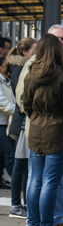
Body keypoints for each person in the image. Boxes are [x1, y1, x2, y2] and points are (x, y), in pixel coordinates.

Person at [16, 24, 63, 226]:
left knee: (35, 180)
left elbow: (25, 103)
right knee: (51, 182)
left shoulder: (30, 73)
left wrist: (35, 117)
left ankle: (34, 223)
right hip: (58, 133)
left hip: (36, 131)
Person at [3, 38, 37, 218]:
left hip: (23, 123)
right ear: (24, 52)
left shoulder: (22, 68)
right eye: (34, 49)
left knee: (22, 165)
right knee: (21, 164)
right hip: (22, 123)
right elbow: (21, 97)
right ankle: (16, 204)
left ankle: (20, 203)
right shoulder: (20, 69)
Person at [0, 52, 16, 192]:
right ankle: (15, 181)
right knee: (9, 153)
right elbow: (2, 102)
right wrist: (17, 109)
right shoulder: (1, 81)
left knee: (4, 153)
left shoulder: (6, 81)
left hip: (5, 122)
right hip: (1, 122)